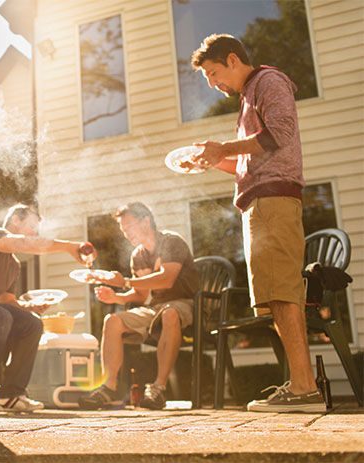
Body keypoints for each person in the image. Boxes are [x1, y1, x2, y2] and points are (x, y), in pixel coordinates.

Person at [190, 34, 324, 412]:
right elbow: (251, 160)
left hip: (274, 200)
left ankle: (305, 389)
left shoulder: (268, 82)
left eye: (214, 74)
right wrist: (214, 159)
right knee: (273, 297)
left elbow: (280, 134)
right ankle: (301, 385)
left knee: (282, 291)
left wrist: (224, 147)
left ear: (233, 59)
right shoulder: (249, 96)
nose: (214, 85)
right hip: (259, 202)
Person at [0, 203, 96, 413]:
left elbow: (6, 300)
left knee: (31, 323)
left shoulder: (13, 265)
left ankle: (10, 393)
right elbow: (25, 243)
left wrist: (30, 306)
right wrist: (69, 246)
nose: (34, 233)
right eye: (31, 226)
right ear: (15, 220)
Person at [78, 202, 199, 410]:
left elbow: (166, 280)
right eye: (123, 230)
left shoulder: (171, 242)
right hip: (155, 308)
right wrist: (116, 297)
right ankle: (109, 387)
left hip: (187, 304)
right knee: (113, 321)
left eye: (129, 227)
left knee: (170, 313)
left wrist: (123, 282)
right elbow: (141, 296)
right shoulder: (138, 256)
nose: (126, 234)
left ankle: (158, 388)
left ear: (145, 221)